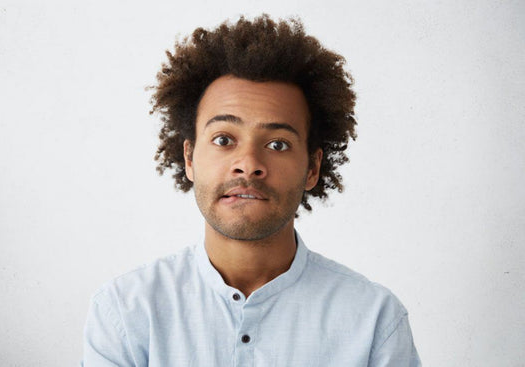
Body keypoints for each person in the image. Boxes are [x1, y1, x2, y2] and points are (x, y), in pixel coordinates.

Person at [81, 15, 421, 366]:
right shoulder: (124, 312)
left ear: (312, 168)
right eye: (224, 139)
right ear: (189, 158)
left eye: (277, 144)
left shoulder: (375, 322)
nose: (248, 163)